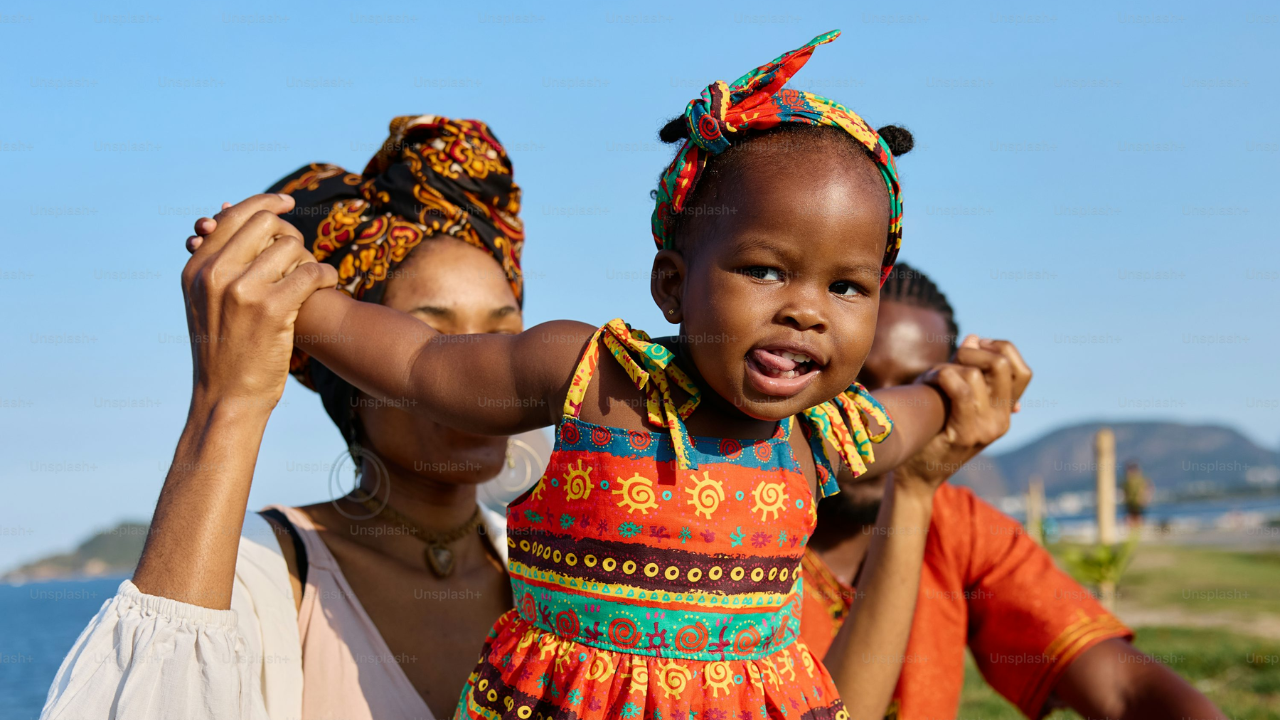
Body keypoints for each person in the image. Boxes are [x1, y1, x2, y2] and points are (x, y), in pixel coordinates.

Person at [180, 31, 1028, 720]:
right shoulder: (595, 377)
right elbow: (419, 364)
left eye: (846, 287)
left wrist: (958, 388)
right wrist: (300, 292)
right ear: (670, 284)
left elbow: (914, 417)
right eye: (766, 270)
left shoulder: (824, 431)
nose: (806, 310)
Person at [41, 116, 543, 720]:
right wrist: (228, 401)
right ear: (350, 365)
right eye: (431, 336)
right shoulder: (256, 574)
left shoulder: (561, 570)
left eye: (502, 334)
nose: (477, 369)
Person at [800, 262, 1225, 719]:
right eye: (857, 386)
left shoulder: (958, 527)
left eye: (915, 393)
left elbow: (1123, 691)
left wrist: (917, 488)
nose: (878, 422)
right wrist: (913, 491)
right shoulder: (740, 526)